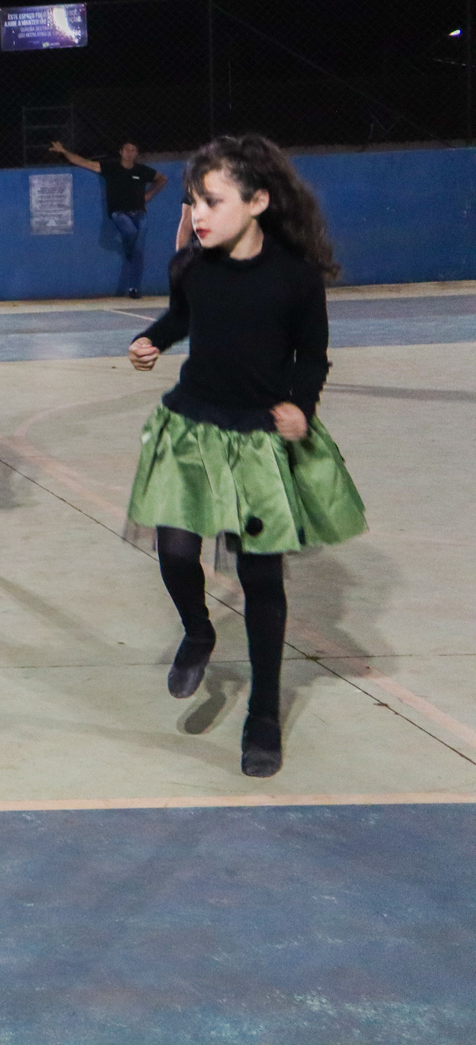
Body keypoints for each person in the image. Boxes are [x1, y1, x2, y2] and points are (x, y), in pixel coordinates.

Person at [126, 134, 366, 779]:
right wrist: (152, 339)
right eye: (191, 201)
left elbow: (312, 354)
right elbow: (181, 319)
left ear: (257, 201)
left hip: (259, 438)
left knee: (262, 580)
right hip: (191, 428)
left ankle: (263, 710)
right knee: (175, 552)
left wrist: (301, 403)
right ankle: (199, 630)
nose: (197, 214)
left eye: (211, 201)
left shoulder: (294, 277)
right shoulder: (190, 267)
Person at [49, 139, 169, 297]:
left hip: (139, 213)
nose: (129, 152)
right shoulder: (111, 167)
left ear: (136, 153)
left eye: (133, 150)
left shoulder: (142, 170)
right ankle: (128, 248)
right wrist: (64, 151)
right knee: (130, 235)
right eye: (126, 149)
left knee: (138, 252)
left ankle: (134, 288)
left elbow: (162, 178)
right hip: (119, 213)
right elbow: (84, 162)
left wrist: (149, 194)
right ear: (121, 152)